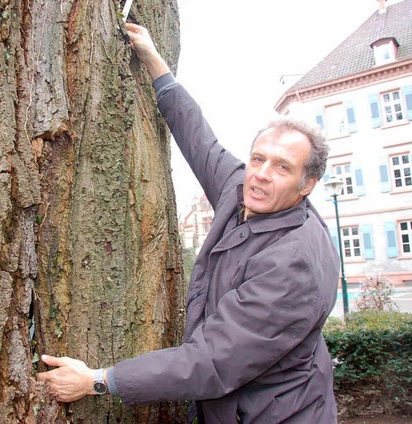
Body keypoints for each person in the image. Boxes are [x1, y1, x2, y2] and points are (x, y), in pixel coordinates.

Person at [37, 22, 341, 423]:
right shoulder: (245, 190)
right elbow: (201, 141)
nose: (261, 174)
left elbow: (212, 360)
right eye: (257, 158)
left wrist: (98, 380)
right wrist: (154, 63)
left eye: (282, 167)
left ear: (307, 185)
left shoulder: (293, 264)